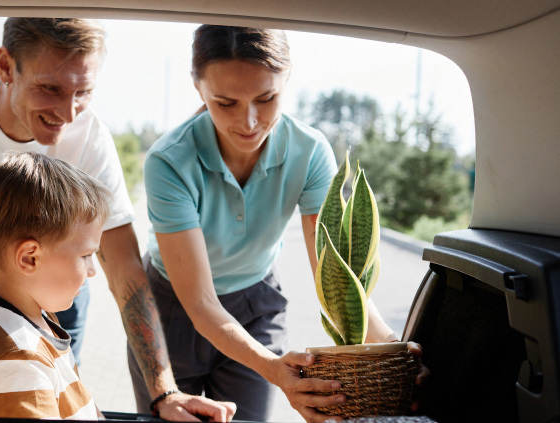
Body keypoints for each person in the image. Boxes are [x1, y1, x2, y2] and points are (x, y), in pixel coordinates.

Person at [0, 17, 234, 421]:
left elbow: (123, 265)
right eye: (50, 89)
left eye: (83, 92)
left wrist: (164, 392)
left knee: (56, 390)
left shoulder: (89, 136)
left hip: (59, 291)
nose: (69, 112)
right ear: (6, 66)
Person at [130, 25, 423, 422]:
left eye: (266, 98)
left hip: (256, 304)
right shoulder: (168, 161)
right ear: (198, 88)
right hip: (173, 310)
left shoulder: (311, 152)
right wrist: (274, 369)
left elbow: (335, 276)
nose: (249, 122)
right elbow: (200, 303)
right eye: (225, 103)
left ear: (287, 80)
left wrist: (393, 350)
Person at [0, 152, 108, 418]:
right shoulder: (19, 360)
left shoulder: (22, 318)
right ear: (29, 258)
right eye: (85, 255)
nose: (93, 270)